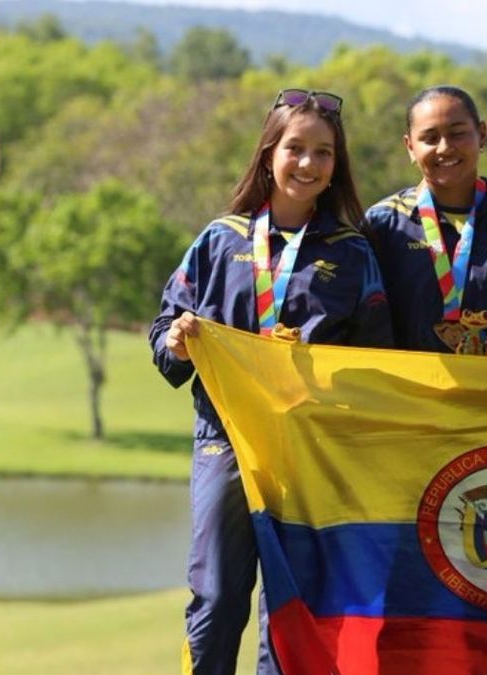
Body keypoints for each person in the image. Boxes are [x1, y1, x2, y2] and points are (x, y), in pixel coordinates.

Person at [148, 88, 393, 675]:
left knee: (289, 606)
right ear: (268, 153)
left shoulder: (353, 253)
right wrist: (176, 341)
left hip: (310, 451)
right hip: (225, 442)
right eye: (296, 148)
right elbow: (163, 329)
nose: (308, 164)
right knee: (214, 596)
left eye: (324, 153)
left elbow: (378, 360)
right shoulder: (220, 239)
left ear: (337, 165)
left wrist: (318, 372)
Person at [365, 85, 487, 374]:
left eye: (457, 133)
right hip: (412, 404)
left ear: (481, 134)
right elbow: (364, 321)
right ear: (409, 146)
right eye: (429, 138)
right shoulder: (384, 223)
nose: (445, 147)